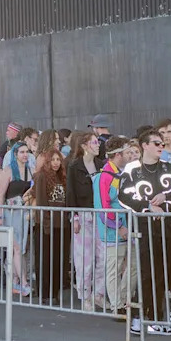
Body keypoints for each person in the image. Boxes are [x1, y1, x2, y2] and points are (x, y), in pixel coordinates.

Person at [118, 129, 171, 336]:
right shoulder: (132, 169)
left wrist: (165, 197)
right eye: (156, 143)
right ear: (144, 145)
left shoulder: (168, 168)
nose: (160, 146)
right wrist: (148, 206)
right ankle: (141, 317)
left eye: (162, 143)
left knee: (165, 272)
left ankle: (158, 317)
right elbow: (124, 196)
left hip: (166, 228)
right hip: (144, 229)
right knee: (147, 272)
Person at [92, 136, 134, 313]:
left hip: (126, 227)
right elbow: (104, 207)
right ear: (118, 154)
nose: (130, 155)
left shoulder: (122, 174)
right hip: (112, 231)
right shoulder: (103, 177)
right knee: (114, 269)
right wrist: (119, 227)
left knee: (133, 266)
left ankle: (123, 300)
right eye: (127, 152)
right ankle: (118, 305)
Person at [66, 131, 106, 311]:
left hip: (100, 215)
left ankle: (98, 293)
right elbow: (71, 194)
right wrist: (73, 217)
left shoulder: (101, 165)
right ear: (84, 146)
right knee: (84, 258)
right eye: (94, 142)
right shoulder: (75, 166)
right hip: (83, 215)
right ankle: (85, 295)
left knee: (103, 255)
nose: (98, 145)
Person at [0, 143, 34, 296]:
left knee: (21, 249)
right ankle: (24, 282)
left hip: (24, 213)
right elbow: (0, 195)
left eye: (27, 152)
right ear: (15, 154)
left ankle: (14, 280)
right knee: (17, 248)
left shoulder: (31, 171)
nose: (25, 155)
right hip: (9, 213)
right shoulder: (7, 171)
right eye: (21, 152)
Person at [34, 148, 68, 303]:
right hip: (46, 225)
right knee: (45, 260)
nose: (56, 163)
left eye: (58, 160)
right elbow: (41, 202)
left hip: (61, 226)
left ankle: (55, 293)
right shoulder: (41, 177)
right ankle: (45, 293)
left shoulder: (62, 177)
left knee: (58, 260)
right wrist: (46, 225)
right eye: (53, 160)